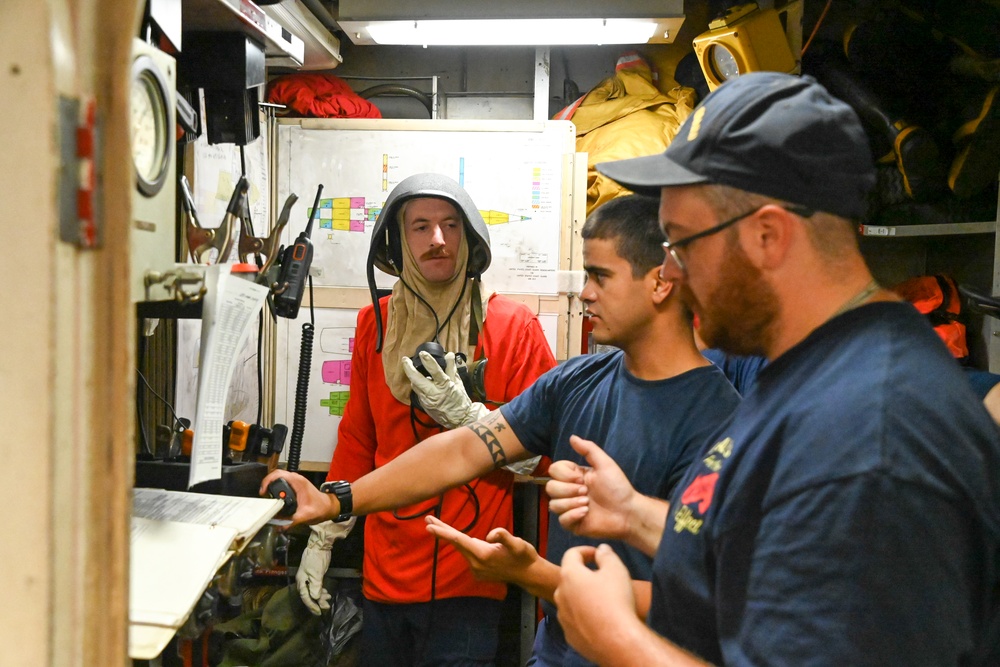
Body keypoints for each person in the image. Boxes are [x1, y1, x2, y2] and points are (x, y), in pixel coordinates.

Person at [545, 71, 1000, 666]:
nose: (672, 275)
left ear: (767, 236)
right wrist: (632, 515)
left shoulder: (874, 433)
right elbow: (779, 560)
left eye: (682, 244)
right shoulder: (808, 369)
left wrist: (617, 639)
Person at [263, 194, 743, 666]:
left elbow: (708, 594)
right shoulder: (577, 381)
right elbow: (462, 450)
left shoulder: (719, 422)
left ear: (660, 284)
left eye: (600, 277)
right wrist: (333, 503)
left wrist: (536, 575)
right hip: (555, 647)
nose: (585, 293)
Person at [297, 172, 557, 667]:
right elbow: (358, 437)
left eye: (450, 225)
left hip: (470, 575)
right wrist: (324, 533)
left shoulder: (511, 326)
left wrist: (468, 417)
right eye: (420, 227)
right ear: (397, 241)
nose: (437, 240)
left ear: (470, 236)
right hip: (385, 571)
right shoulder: (374, 323)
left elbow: (549, 458)